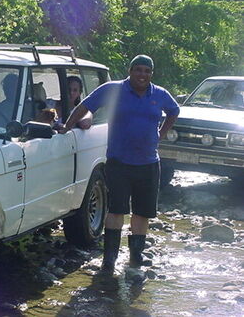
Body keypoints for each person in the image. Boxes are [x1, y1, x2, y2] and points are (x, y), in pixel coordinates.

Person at [59, 55, 180, 274]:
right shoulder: (112, 90)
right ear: (130, 70)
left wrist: (162, 133)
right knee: (116, 210)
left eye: (147, 71)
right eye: (138, 70)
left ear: (151, 73)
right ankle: (109, 261)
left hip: (149, 163)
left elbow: (174, 111)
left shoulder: (160, 94)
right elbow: (86, 106)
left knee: (142, 213)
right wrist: (67, 126)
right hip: (118, 162)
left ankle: (135, 259)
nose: (142, 75)